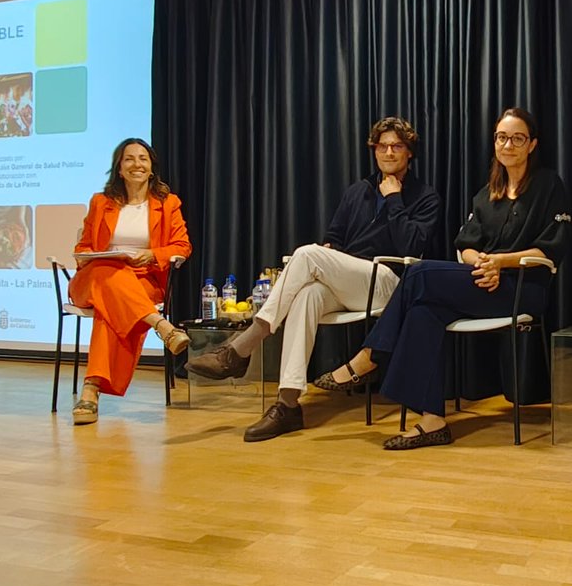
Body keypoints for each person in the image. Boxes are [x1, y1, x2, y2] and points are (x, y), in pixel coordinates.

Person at [320, 106, 571, 450]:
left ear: (531, 144)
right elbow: (465, 245)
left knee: (420, 272)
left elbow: (551, 250)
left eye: (517, 138)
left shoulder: (547, 185)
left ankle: (372, 355)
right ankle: (433, 421)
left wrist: (501, 262)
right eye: (501, 137)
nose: (508, 145)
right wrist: (481, 262)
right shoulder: (487, 194)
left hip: (523, 288)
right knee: (425, 312)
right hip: (483, 282)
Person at [188, 116, 441, 443]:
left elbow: (412, 247)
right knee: (306, 294)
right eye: (382, 146)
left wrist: (394, 199)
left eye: (397, 146)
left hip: (390, 285)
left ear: (409, 153)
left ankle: (242, 348)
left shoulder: (425, 196)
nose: (389, 152)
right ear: (374, 150)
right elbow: (333, 237)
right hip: (348, 280)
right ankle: (288, 404)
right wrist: (329, 250)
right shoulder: (358, 192)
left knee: (305, 255)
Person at [68, 138, 192, 425]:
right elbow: (84, 248)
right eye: (129, 159)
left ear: (151, 168)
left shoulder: (167, 203)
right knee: (107, 272)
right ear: (119, 168)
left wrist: (151, 255)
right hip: (93, 278)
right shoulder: (101, 202)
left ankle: (91, 390)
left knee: (107, 311)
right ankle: (162, 325)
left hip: (142, 281)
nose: (137, 164)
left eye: (143, 159)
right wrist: (96, 256)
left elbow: (181, 246)